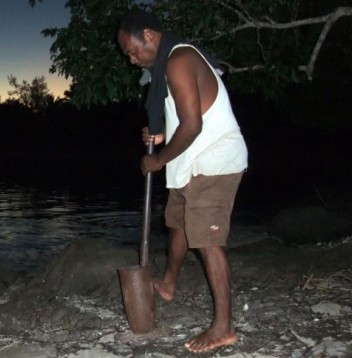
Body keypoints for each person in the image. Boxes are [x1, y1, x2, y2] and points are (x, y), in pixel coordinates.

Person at [117, 10, 248, 354]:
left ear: (149, 34)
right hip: (189, 165)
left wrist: (157, 160)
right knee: (178, 226)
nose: (132, 60)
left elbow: (193, 125)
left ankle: (223, 327)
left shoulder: (180, 59)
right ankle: (169, 282)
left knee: (207, 241)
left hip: (214, 162)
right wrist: (158, 136)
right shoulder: (164, 69)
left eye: (132, 51)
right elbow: (181, 118)